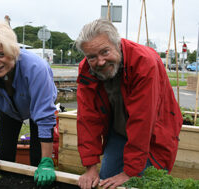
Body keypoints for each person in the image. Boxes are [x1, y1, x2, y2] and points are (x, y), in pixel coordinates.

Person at [75, 19, 183, 189]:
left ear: (116, 43)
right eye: (92, 57)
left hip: (154, 132)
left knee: (145, 183)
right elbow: (87, 118)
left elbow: (143, 120)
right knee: (106, 180)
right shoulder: (87, 69)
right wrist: (90, 167)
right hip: (119, 131)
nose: (100, 61)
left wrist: (130, 172)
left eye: (105, 52)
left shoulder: (144, 62)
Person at [0, 19, 57, 186]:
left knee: (37, 156)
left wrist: (46, 161)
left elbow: (44, 115)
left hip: (37, 105)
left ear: (13, 51)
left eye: (1, 54)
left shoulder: (36, 67)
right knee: (5, 154)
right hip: (8, 108)